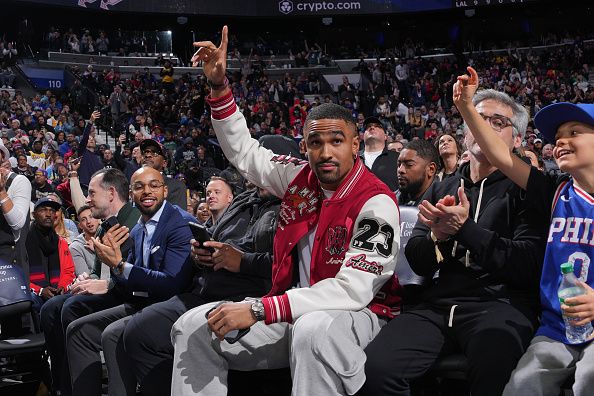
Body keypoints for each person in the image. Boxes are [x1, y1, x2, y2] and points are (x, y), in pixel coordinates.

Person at [171, 26, 400, 396]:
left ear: (356, 144)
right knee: (193, 326)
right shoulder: (299, 177)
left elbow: (353, 290)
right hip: (292, 309)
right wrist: (218, 88)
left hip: (360, 314)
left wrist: (261, 309)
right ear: (304, 147)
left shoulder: (376, 201)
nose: (326, 152)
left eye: (337, 141)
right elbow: (245, 153)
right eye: (315, 143)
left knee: (313, 331)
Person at [362, 84, 548, 396]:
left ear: (517, 140)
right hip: (439, 305)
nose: (485, 126)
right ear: (466, 134)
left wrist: (466, 230)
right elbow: (419, 261)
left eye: (498, 122)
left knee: (495, 372)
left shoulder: (528, 188)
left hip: (502, 304)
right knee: (373, 371)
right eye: (477, 118)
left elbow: (526, 265)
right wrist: (440, 236)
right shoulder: (443, 187)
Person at [453, 67, 594, 395]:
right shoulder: (555, 189)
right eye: (558, 136)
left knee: (589, 380)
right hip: (557, 328)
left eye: (575, 132)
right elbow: (501, 156)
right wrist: (466, 108)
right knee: (520, 386)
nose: (561, 140)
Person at [121, 183, 280, 396]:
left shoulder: (294, 205)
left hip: (248, 298)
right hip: (204, 290)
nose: (252, 176)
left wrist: (243, 261)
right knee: (138, 330)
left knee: (178, 329)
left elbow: (290, 264)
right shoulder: (243, 201)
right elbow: (210, 237)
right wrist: (197, 255)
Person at [66, 166, 195, 396]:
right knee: (80, 330)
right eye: (139, 187)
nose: (147, 191)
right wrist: (113, 269)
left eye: (154, 186)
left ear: (165, 191)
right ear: (132, 194)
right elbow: (130, 283)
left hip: (174, 304)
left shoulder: (180, 224)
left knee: (112, 334)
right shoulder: (137, 230)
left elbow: (172, 283)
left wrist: (119, 265)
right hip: (143, 302)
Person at [40, 168, 141, 396]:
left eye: (92, 193)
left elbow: (132, 271)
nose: (87, 199)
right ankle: (62, 385)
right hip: (113, 287)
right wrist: (89, 279)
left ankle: (80, 387)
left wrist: (105, 285)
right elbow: (99, 270)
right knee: (50, 309)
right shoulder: (106, 224)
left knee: (71, 307)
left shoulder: (132, 223)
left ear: (111, 193)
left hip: (128, 294)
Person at [26, 197, 75, 311]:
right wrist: (41, 290)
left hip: (57, 292)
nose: (48, 214)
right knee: (31, 300)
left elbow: (69, 271)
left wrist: (62, 287)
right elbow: (20, 276)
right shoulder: (24, 240)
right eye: (43, 210)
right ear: (34, 214)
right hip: (34, 294)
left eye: (52, 211)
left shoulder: (61, 242)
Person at [139, 138, 187, 209]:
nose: (147, 155)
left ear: (164, 163)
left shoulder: (176, 186)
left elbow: (177, 217)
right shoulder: (134, 184)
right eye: (145, 152)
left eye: (154, 153)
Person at [359, 116, 398, 190]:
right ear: (363, 136)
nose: (372, 128)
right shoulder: (352, 158)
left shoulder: (397, 158)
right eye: (368, 127)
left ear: (385, 136)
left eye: (377, 126)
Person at [396, 139, 439, 206]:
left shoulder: (444, 207)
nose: (400, 170)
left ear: (431, 169)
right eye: (399, 165)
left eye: (409, 164)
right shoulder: (390, 201)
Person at [69, 205, 100, 276]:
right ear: (80, 225)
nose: (88, 221)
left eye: (91, 216)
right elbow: (85, 278)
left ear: (98, 219)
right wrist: (98, 252)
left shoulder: (107, 237)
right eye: (84, 219)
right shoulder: (75, 248)